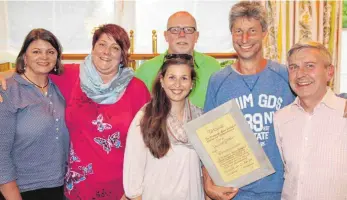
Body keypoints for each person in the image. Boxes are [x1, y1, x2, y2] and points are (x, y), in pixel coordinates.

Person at [0, 24, 151, 200]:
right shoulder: (72, 76)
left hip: (122, 189)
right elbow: (35, 70)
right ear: (93, 48)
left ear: (123, 55)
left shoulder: (137, 89)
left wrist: (135, 189)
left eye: (115, 47)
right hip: (75, 189)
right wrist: (4, 75)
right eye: (101, 44)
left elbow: (149, 141)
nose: (106, 52)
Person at [203, 2, 295, 200]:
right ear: (231, 34)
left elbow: (314, 98)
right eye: (238, 31)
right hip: (234, 191)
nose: (244, 39)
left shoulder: (285, 76)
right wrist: (207, 184)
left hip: (282, 189)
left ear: (264, 33)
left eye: (252, 30)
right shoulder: (218, 81)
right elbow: (208, 140)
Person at [123, 54, 204, 200]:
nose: (177, 84)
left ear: (192, 83)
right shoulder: (145, 118)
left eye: (184, 78)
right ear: (162, 80)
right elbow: (132, 179)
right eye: (172, 77)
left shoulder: (200, 119)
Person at [0, 28, 69, 200]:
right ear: (25, 56)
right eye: (36, 51)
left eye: (50, 52)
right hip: (22, 190)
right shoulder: (8, 91)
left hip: (60, 186)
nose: (44, 57)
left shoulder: (60, 86)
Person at [274, 41, 347, 200]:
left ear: (329, 72)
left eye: (310, 65)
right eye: (293, 67)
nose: (300, 74)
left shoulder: (344, 113)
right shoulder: (280, 118)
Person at [135, 11, 221, 108]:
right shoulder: (145, 71)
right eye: (175, 30)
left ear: (196, 36)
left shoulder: (213, 68)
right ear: (166, 36)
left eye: (188, 30)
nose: (182, 34)